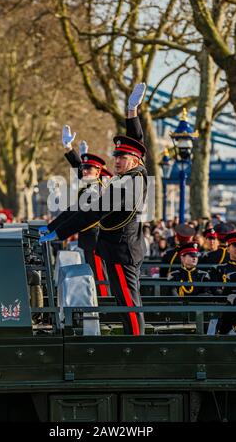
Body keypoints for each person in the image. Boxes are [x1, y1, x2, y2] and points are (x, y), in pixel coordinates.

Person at [40, 82, 147, 335]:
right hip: (117, 247)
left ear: (134, 161)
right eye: (116, 156)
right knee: (126, 300)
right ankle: (135, 340)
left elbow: (91, 212)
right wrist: (132, 112)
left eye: (121, 158)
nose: (116, 160)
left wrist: (59, 233)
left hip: (121, 249)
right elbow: (137, 140)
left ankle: (138, 345)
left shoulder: (129, 183)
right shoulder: (130, 175)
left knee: (129, 303)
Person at [61, 125, 112, 297]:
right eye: (84, 168)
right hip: (89, 236)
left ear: (98, 173)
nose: (84, 171)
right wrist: (70, 149)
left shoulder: (97, 188)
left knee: (99, 275)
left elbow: (81, 213)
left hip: (96, 236)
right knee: (93, 272)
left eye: (89, 169)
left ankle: (105, 304)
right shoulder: (91, 184)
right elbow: (80, 170)